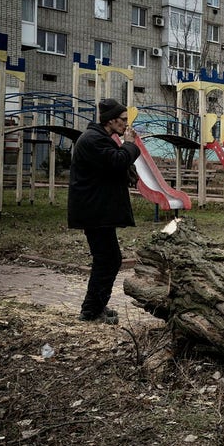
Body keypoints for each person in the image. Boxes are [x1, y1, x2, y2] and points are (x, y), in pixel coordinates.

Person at [68, 98, 140, 324]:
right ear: (111, 121)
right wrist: (129, 144)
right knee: (108, 260)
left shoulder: (100, 138)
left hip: (98, 210)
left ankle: (96, 306)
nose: (127, 125)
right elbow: (117, 161)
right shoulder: (93, 140)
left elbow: (114, 167)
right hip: (94, 211)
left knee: (108, 259)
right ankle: (91, 311)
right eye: (124, 120)